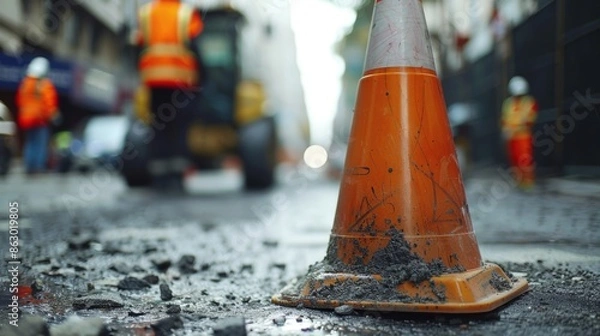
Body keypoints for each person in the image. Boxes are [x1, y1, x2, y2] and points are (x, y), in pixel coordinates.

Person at [136, 0, 204, 190]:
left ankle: (159, 177)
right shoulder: (186, 13)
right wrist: (201, 75)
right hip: (181, 81)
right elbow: (195, 45)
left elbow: (140, 44)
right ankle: (176, 177)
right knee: (179, 128)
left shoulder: (147, 13)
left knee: (158, 127)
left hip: (154, 80)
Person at [15, 57, 60, 175]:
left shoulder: (25, 84)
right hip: (40, 120)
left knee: (30, 143)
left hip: (26, 119)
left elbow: (19, 101)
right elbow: (49, 103)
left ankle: (29, 166)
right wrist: (53, 116)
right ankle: (37, 168)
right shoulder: (44, 84)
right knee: (39, 144)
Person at [501, 76, 538, 190]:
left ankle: (528, 181)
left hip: (523, 136)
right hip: (512, 137)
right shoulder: (508, 103)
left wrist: (518, 126)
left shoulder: (529, 102)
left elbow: (530, 119)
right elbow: (504, 119)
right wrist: (506, 130)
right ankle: (518, 181)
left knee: (525, 158)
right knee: (514, 159)